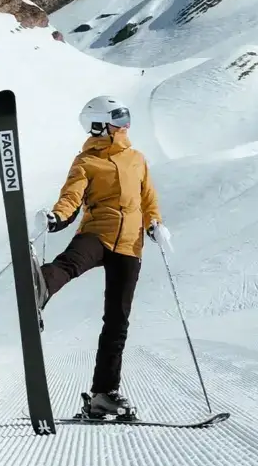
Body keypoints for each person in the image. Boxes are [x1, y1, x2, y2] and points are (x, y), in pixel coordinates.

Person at [34, 96, 170, 419]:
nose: (125, 125)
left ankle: (104, 394)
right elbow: (71, 197)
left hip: (131, 245)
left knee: (117, 322)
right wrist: (56, 217)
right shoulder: (86, 162)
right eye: (118, 119)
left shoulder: (137, 159)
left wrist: (155, 224)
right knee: (71, 262)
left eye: (126, 118)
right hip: (98, 232)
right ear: (98, 125)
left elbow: (148, 199)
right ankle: (39, 287)